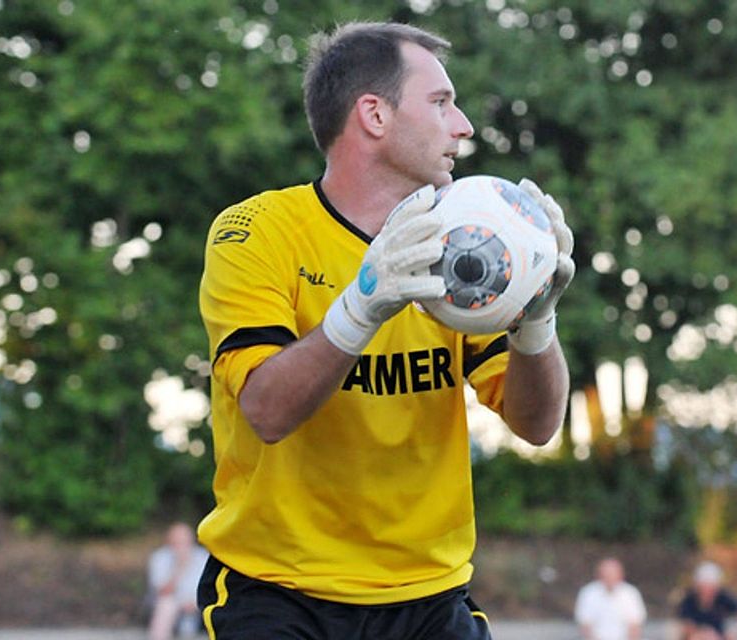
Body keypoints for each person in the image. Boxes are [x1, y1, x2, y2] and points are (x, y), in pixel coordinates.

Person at [196, 21, 575, 640]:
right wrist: (365, 303)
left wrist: (537, 321)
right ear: (374, 114)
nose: (464, 126)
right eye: (441, 102)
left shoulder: (465, 246)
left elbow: (536, 425)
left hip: (429, 598)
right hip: (278, 593)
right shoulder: (256, 231)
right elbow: (265, 409)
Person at [146, 522, 209, 640]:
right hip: (171, 604)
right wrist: (179, 567)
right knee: (166, 605)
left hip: (197, 605)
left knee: (187, 628)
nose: (181, 545)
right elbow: (163, 591)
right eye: (177, 541)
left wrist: (194, 604)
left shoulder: (203, 557)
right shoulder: (160, 557)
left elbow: (209, 588)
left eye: (184, 540)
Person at [574, 557, 647, 640]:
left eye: (612, 574)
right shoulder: (588, 593)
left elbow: (635, 626)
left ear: (620, 575)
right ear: (599, 575)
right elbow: (585, 626)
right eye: (606, 574)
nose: (609, 577)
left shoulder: (630, 593)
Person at [677, 562, 737, 640]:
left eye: (711, 587)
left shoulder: (723, 597)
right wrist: (703, 633)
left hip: (719, 635)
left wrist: (736, 630)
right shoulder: (689, 600)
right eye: (704, 586)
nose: (707, 590)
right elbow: (686, 625)